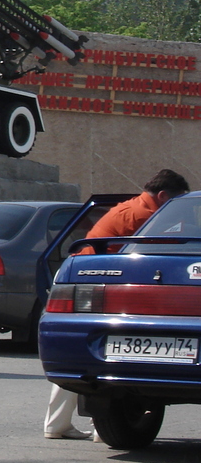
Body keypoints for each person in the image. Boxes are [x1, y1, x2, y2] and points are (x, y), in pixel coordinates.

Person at [44, 168, 190, 440]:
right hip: (98, 285)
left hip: (84, 280)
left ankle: (58, 424)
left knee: (78, 363)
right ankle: (93, 429)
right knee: (94, 365)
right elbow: (168, 251)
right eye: (174, 202)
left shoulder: (130, 206)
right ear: (162, 196)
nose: (173, 209)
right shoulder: (146, 217)